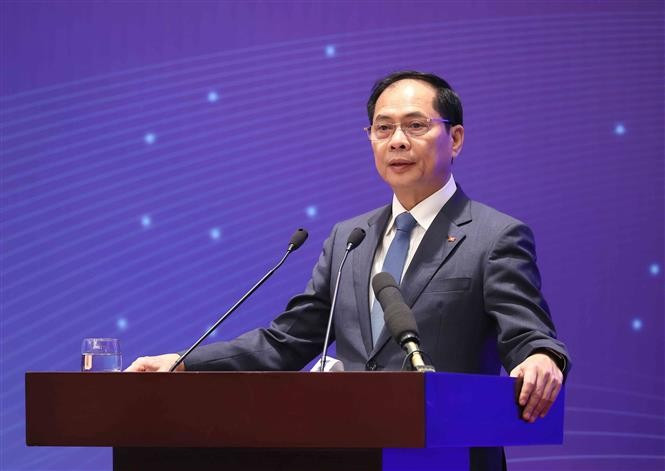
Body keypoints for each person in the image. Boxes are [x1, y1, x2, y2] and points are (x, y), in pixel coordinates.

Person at [127, 71, 570, 471]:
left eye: (415, 125)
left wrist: (540, 357)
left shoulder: (494, 236)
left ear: (454, 139)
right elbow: (288, 340)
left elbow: (527, 332)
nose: (397, 141)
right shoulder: (349, 238)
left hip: (447, 457)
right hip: (351, 452)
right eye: (383, 128)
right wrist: (185, 363)